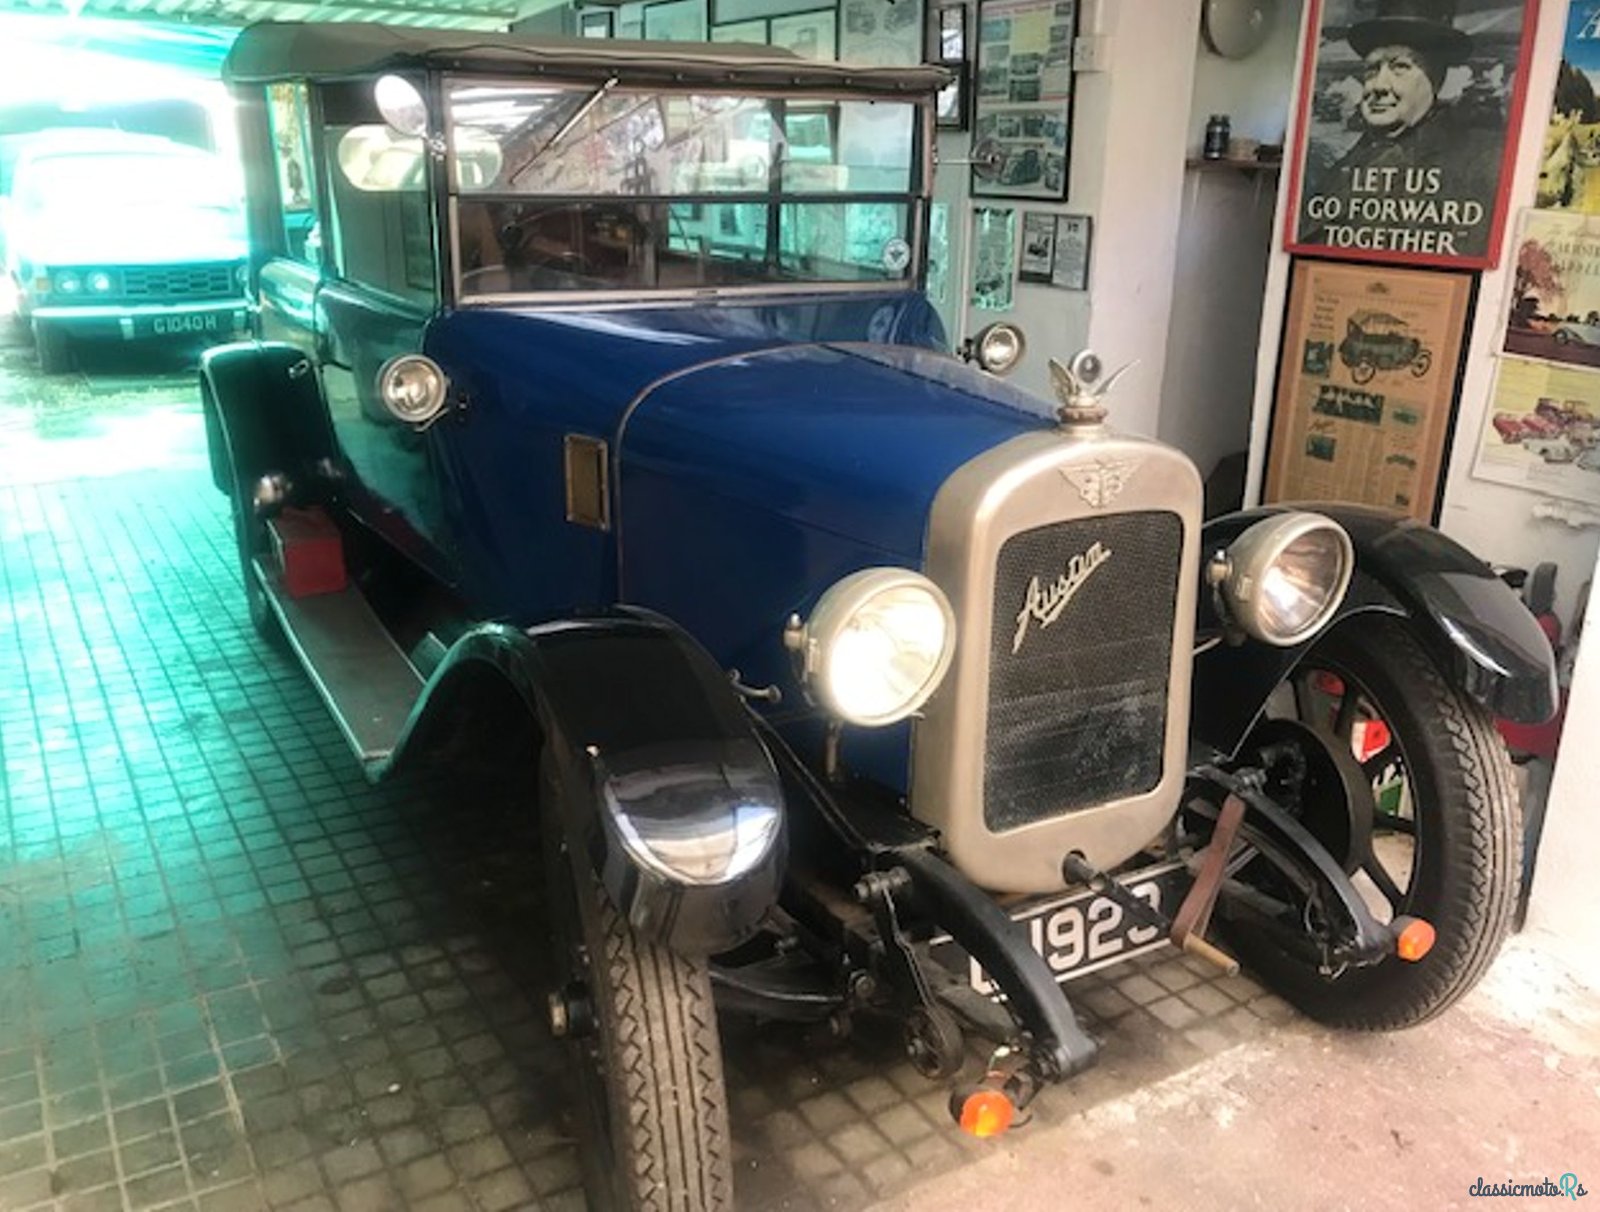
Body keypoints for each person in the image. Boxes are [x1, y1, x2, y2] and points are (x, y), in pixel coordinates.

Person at [1301, 0, 1505, 256]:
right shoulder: (1349, 162)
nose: (1378, 85)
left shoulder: (1480, 161)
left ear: (1436, 78)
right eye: (1372, 70)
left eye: (1400, 68)